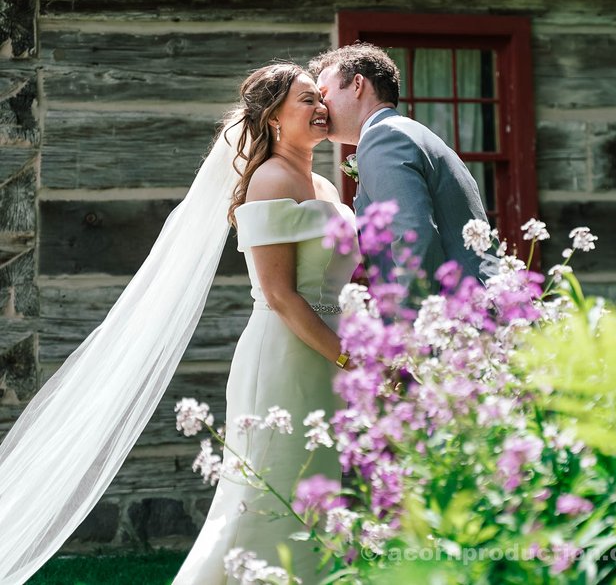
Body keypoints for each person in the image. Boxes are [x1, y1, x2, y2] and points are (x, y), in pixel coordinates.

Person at [0, 63, 356, 585]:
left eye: (322, 99)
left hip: (327, 353)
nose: (321, 107)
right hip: (284, 357)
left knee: (322, 486)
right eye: (307, 100)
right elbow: (280, 295)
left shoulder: (324, 184)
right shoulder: (269, 179)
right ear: (274, 118)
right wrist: (351, 357)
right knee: (268, 494)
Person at [310, 43, 494, 291]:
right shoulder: (409, 132)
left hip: (457, 312)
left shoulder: (384, 138)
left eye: (323, 94)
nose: (320, 106)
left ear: (357, 85)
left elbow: (412, 237)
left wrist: (409, 321)